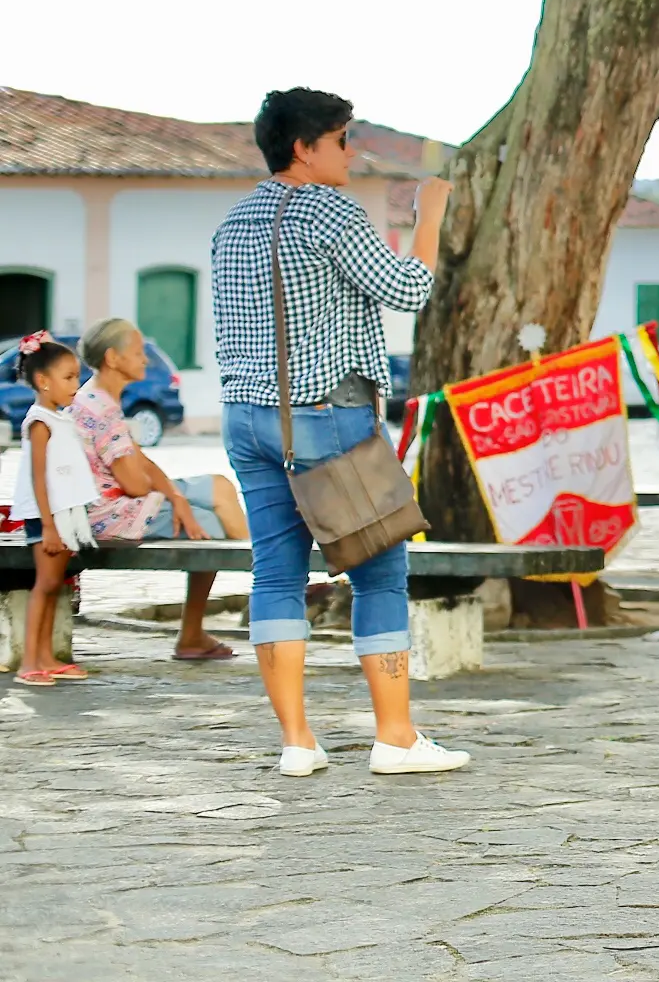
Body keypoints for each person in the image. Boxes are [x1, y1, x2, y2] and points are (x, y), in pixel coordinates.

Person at [205, 87, 464, 777]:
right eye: (343, 139)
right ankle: (396, 738)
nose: (353, 151)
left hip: (248, 418)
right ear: (304, 148)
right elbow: (410, 289)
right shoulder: (332, 212)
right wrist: (426, 215)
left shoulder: (231, 225)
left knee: (276, 574)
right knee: (381, 572)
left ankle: (297, 742)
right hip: (328, 415)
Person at [73, 318, 247, 662]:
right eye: (137, 353)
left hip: (124, 505)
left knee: (220, 488)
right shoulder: (101, 410)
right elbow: (136, 483)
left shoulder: (97, 398)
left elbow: (143, 463)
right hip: (111, 516)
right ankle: (263, 585)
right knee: (212, 527)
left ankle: (259, 580)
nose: (146, 360)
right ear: (113, 358)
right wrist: (172, 499)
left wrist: (177, 497)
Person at [11, 337, 91, 686]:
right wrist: (47, 525)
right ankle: (29, 660)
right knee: (43, 585)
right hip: (47, 517)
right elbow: (38, 477)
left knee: (55, 583)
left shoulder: (60, 418)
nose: (77, 385)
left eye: (77, 377)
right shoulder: (39, 421)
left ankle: (46, 656)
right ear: (44, 381)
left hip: (64, 514)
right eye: (69, 377)